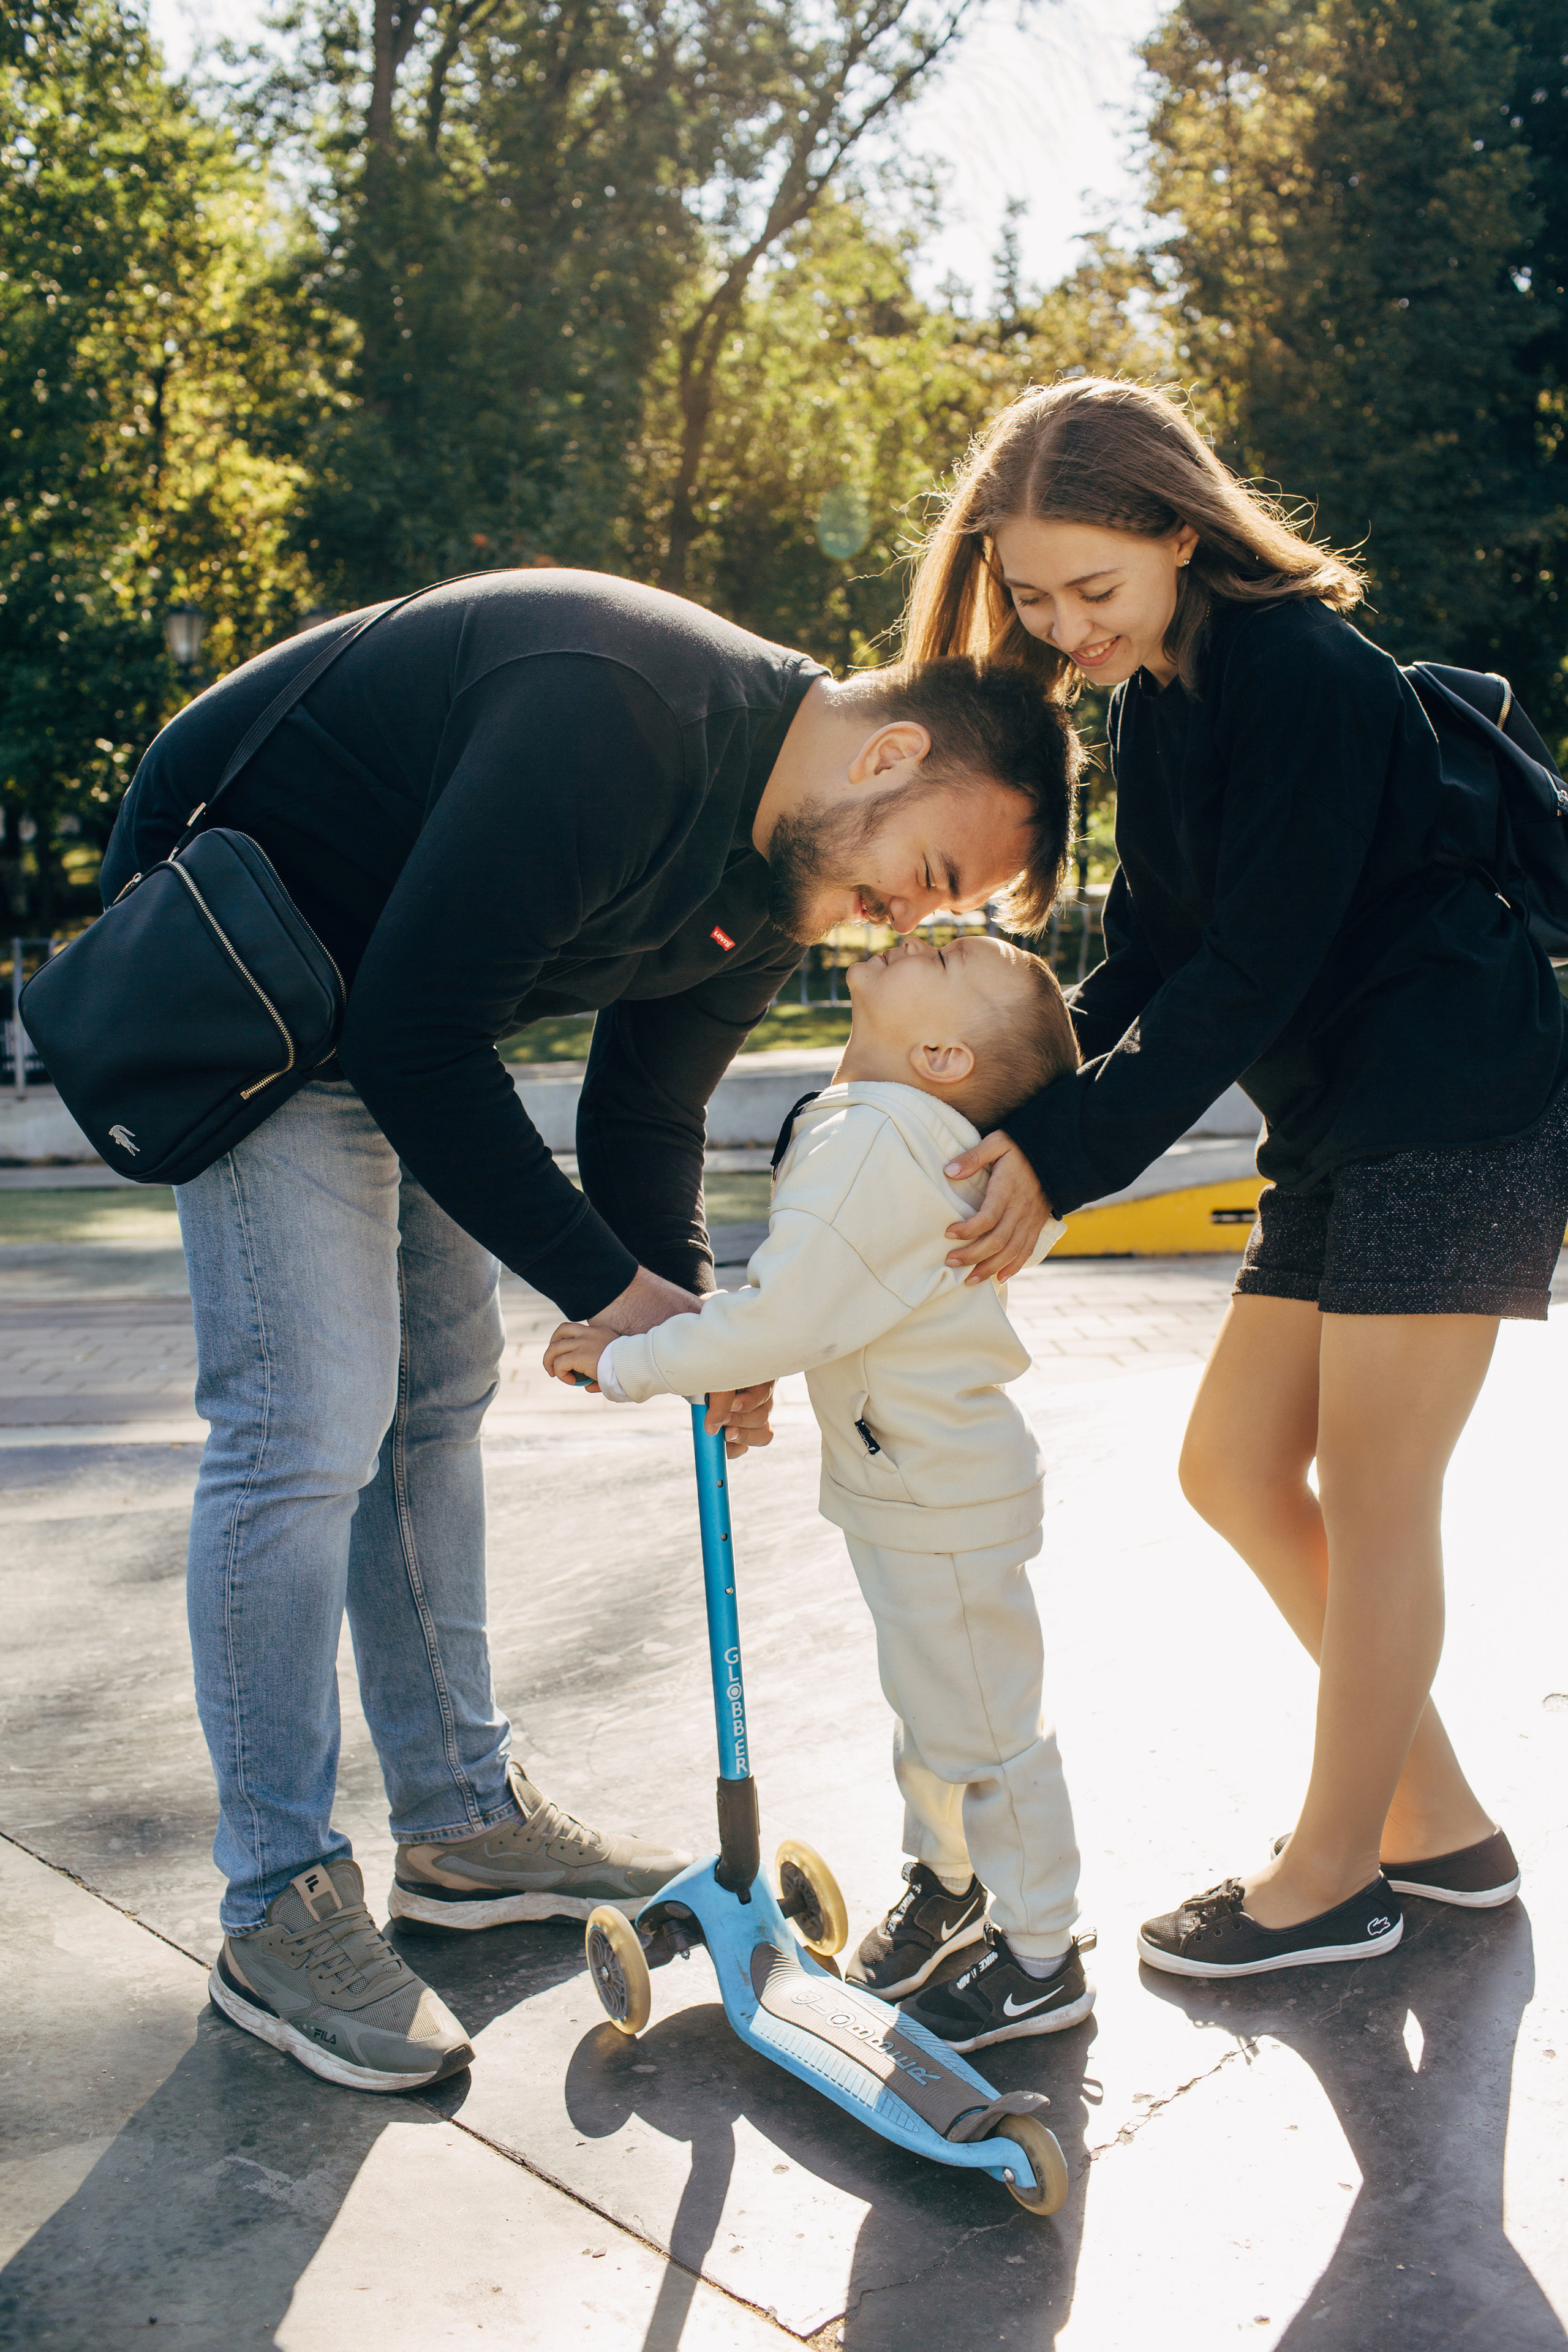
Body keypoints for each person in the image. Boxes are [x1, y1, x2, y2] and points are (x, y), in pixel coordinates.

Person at [100, 570, 1072, 2090]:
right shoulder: (621, 711)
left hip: (395, 1002)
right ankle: (274, 1902)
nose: (902, 917)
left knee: (435, 1397)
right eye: (926, 870)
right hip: (251, 952)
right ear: (887, 758)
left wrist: (693, 1319)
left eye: (938, 914)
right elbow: (420, 1032)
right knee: (307, 1419)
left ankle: (459, 1822)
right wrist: (612, 1298)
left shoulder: (780, 883)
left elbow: (644, 1105)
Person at [905, 378, 1568, 1979]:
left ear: (1182, 533)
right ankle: (1441, 1828)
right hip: (1346, 1121)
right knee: (1236, 1468)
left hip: (1461, 1100)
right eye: (1035, 594)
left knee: (1374, 1487)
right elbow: (1157, 949)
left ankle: (1335, 1877)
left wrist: (1059, 1163)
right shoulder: (1162, 690)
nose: (1066, 626)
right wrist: (1016, 1094)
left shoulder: (1304, 673)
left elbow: (1251, 972)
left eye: (1096, 588)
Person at [545, 925, 1098, 2050]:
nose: (920, 933)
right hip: (906, 1483)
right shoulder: (878, 1125)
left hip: (938, 1497)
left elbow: (788, 1315)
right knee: (935, 1717)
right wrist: (735, 1343)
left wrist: (627, 1361)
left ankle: (1042, 1957)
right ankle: (950, 1888)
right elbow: (810, 1300)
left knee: (987, 1733)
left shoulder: (887, 1142)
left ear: (943, 1055)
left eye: (946, 958)